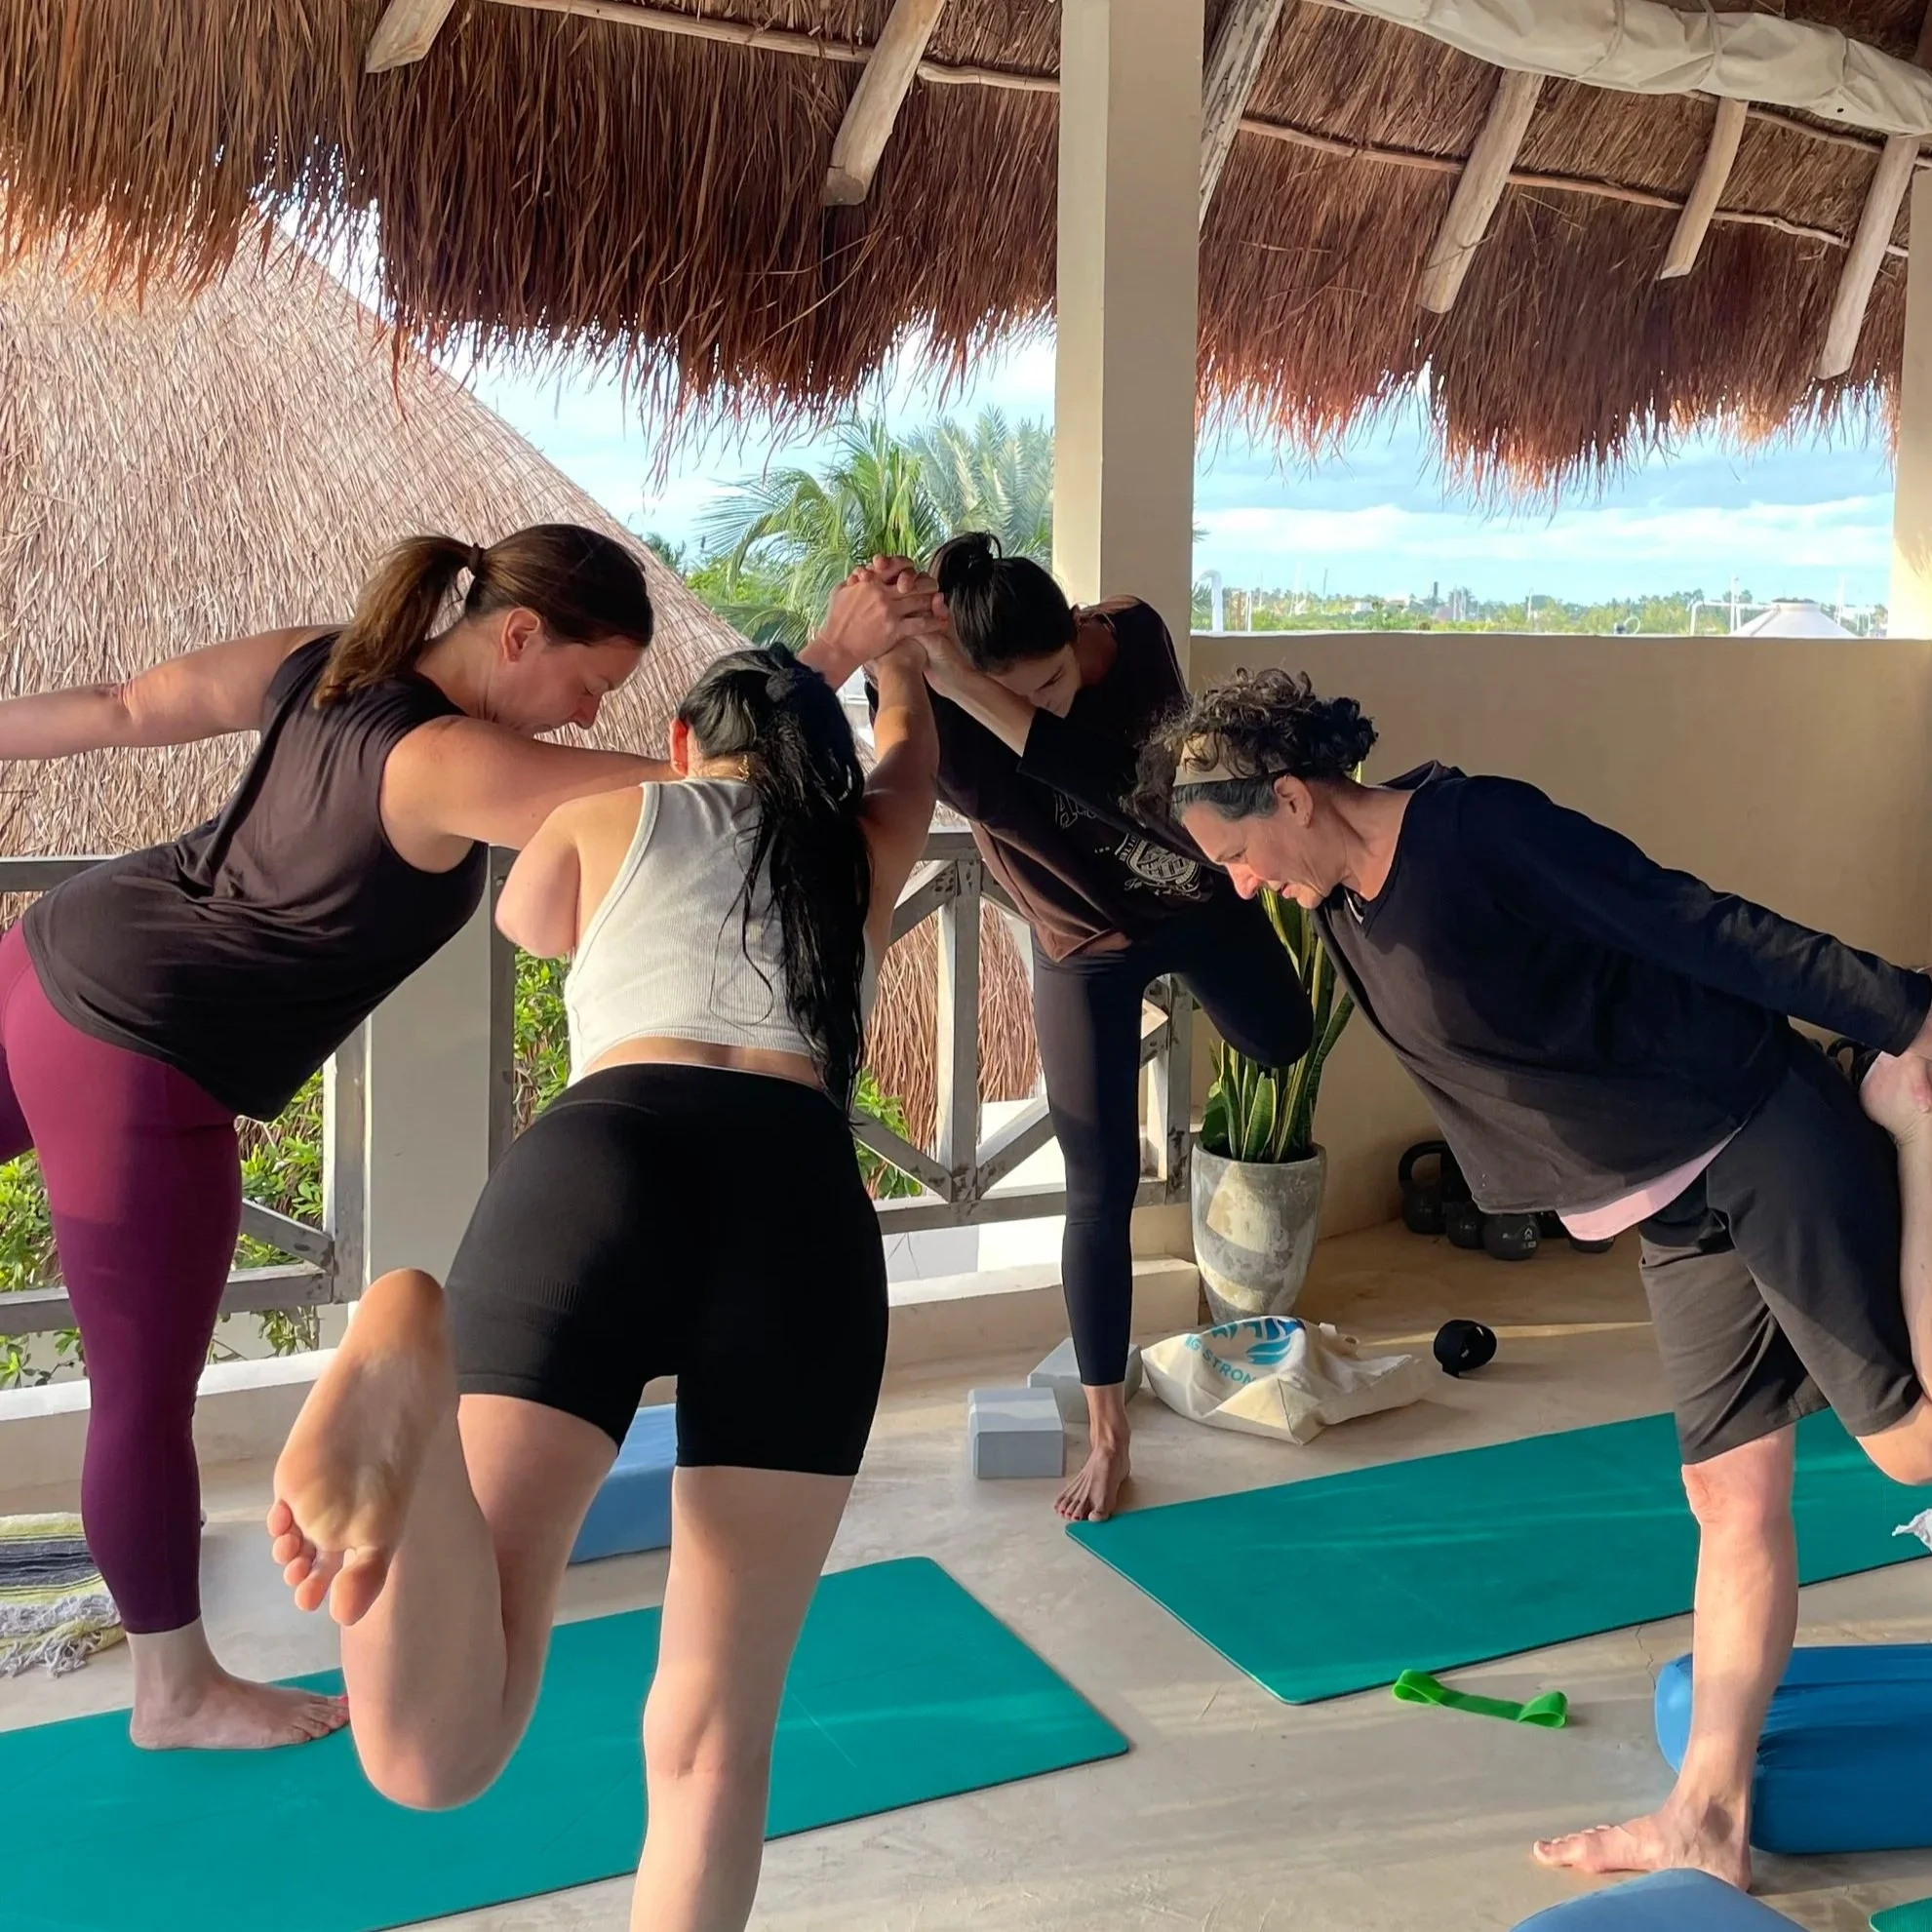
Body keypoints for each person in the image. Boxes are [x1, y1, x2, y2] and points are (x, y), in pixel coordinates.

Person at [0, 522, 935, 1753]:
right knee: (139, 1392)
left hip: (52, 950)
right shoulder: (448, 761)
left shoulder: (325, 659)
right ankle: (173, 1689)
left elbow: (125, 708)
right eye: (585, 683)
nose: (577, 712)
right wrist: (829, 655)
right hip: (148, 1046)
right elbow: (720, 798)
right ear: (515, 635)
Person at [1144, 665, 1932, 1890]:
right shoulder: (1335, 905)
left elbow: (1690, 919)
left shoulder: (1481, 833)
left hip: (1755, 1125)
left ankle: (1917, 1122)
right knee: (1727, 1496)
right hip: (1672, 1202)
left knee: (1909, 1451)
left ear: (1292, 796)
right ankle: (1707, 1824)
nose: (1241, 882)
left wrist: (1901, 1012)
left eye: (1237, 851)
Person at [265, 631, 939, 1932]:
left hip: (601, 1164)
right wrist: (898, 658)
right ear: (821, 762)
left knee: (432, 1755)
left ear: (685, 744)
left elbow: (531, 920)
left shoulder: (607, 811)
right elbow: (907, 742)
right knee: (713, 1736)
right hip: (795, 1196)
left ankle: (405, 1334)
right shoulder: (858, 839)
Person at [803, 536, 1314, 1522]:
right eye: (1017, 692)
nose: (1043, 702)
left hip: (1195, 903)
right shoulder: (938, 715)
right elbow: (883, 707)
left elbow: (1105, 781)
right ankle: (1110, 1432)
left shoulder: (1135, 647)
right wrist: (913, 644)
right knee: (1099, 1187)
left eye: (1051, 679)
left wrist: (978, 681)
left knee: (1285, 1039)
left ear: (1079, 630)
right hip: (1084, 944)